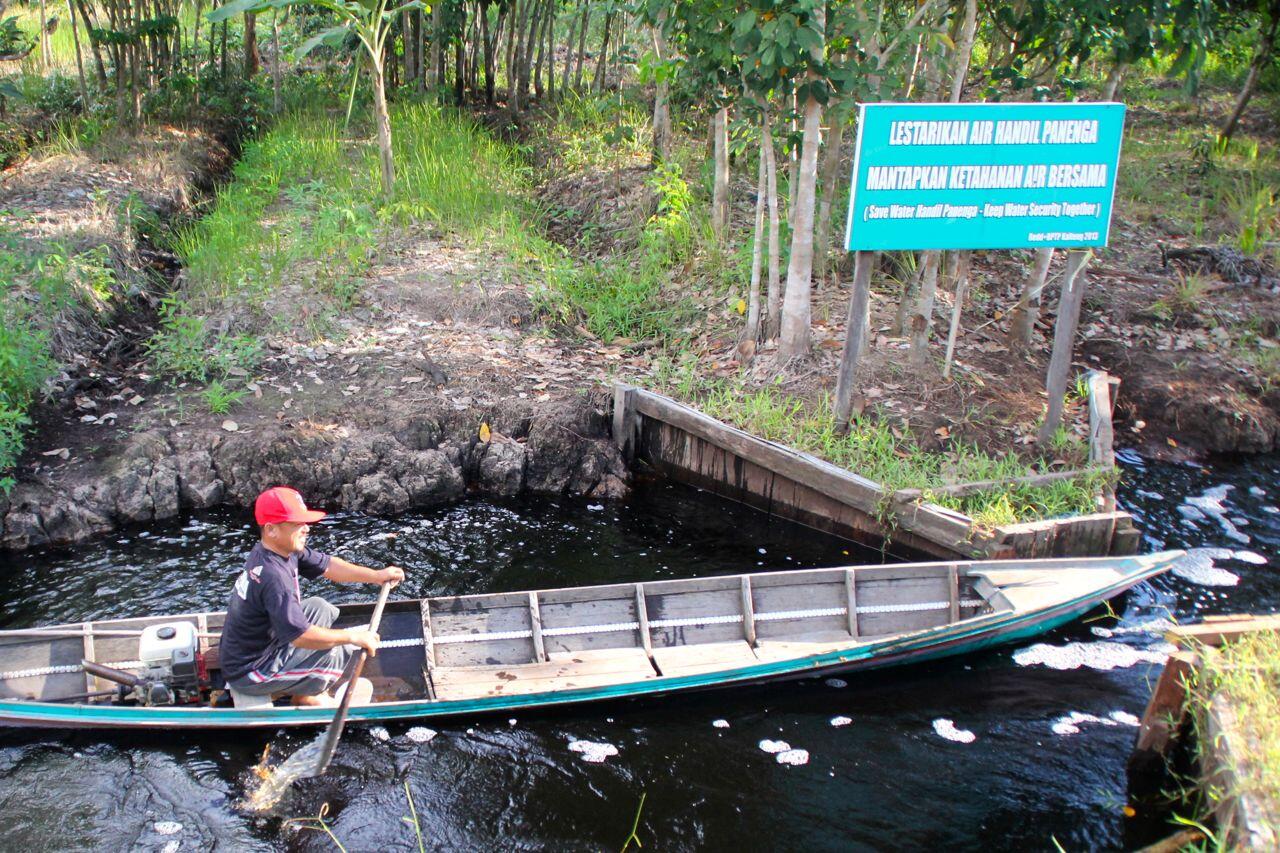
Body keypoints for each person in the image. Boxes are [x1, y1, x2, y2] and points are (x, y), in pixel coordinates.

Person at [219, 486, 406, 707]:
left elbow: (329, 566)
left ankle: (303, 683)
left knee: (319, 607)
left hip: (260, 644)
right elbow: (301, 636)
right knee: (338, 652)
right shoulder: (273, 576)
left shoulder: (280, 550)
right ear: (271, 530)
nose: (306, 529)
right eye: (297, 524)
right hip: (251, 670)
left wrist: (376, 576)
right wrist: (352, 638)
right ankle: (308, 695)